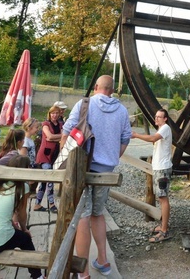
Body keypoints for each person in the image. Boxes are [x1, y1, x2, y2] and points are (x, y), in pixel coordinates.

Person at [62, 75, 131, 279]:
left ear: (96, 88)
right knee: (98, 214)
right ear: (111, 90)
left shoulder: (84, 104)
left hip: (83, 168)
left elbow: (67, 132)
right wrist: (111, 157)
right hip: (106, 171)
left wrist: (65, 161)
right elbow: (126, 138)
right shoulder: (122, 110)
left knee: (82, 217)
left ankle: (83, 273)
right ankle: (103, 261)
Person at [0, 155, 43, 279]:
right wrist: (24, 229)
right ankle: (37, 276)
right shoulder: (22, 186)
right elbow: (22, 215)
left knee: (5, 243)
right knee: (25, 239)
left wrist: (13, 226)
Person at [131, 108, 173, 243]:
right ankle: (163, 225)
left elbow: (153, 138)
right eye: (156, 117)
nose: (157, 119)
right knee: (161, 198)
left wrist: (136, 135)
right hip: (159, 168)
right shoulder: (162, 129)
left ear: (165, 119)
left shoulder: (165, 128)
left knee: (163, 198)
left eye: (160, 117)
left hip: (162, 169)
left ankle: (164, 230)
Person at [33, 105, 63, 212]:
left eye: (56, 113)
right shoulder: (45, 124)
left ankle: (37, 204)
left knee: (45, 181)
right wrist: (59, 137)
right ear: (49, 114)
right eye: (52, 113)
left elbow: (64, 136)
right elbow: (49, 136)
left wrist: (57, 138)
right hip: (44, 155)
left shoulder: (60, 124)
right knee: (50, 179)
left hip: (54, 155)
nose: (54, 115)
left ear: (59, 114)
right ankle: (51, 204)